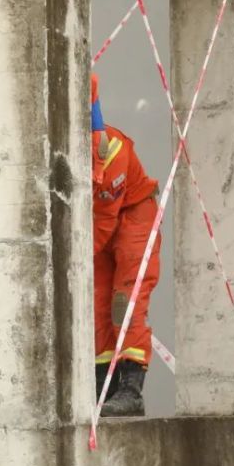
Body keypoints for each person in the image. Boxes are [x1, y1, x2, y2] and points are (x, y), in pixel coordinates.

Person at [91, 73, 160, 417]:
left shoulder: (111, 151)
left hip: (135, 213)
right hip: (96, 225)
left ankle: (131, 390)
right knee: (97, 302)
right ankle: (103, 387)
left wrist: (71, 264)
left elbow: (103, 220)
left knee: (125, 298)